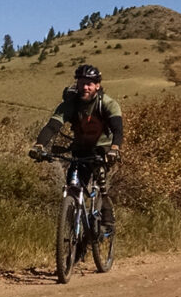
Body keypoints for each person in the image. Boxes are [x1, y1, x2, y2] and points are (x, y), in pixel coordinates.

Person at [30, 64, 123, 236]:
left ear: (97, 85)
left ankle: (107, 221)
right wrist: (39, 146)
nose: (85, 87)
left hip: (102, 149)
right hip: (80, 148)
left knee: (100, 178)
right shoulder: (70, 104)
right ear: (77, 84)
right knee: (72, 184)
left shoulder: (108, 104)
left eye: (89, 84)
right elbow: (52, 126)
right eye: (81, 83)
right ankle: (74, 226)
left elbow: (118, 129)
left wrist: (115, 149)